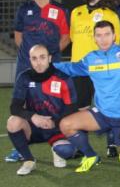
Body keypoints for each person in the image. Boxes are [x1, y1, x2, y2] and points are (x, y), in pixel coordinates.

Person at [56, 21, 120, 173]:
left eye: (107, 34)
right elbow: (71, 68)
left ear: (114, 36)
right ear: (94, 38)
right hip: (102, 114)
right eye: (99, 35)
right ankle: (91, 156)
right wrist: (49, 66)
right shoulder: (91, 58)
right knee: (66, 125)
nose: (103, 39)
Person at [6, 0, 71, 162]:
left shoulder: (60, 9)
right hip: (27, 64)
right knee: (23, 103)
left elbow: (66, 37)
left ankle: (58, 139)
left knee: (56, 101)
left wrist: (49, 58)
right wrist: (33, 57)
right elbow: (18, 36)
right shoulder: (23, 9)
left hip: (53, 64)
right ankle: (21, 148)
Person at [69, 0, 120, 157]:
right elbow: (73, 38)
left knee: (107, 106)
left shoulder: (111, 16)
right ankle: (82, 147)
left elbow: (116, 44)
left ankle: (112, 144)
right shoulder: (76, 12)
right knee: (81, 107)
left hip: (102, 70)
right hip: (80, 69)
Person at [7, 45, 78, 175]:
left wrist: (55, 123)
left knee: (66, 151)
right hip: (34, 126)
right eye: (34, 58)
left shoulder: (63, 78)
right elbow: (14, 107)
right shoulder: (24, 77)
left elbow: (72, 108)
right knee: (13, 122)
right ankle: (29, 160)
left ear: (49, 58)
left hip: (56, 127)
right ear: (30, 60)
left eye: (42, 57)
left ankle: (56, 149)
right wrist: (33, 116)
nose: (38, 62)